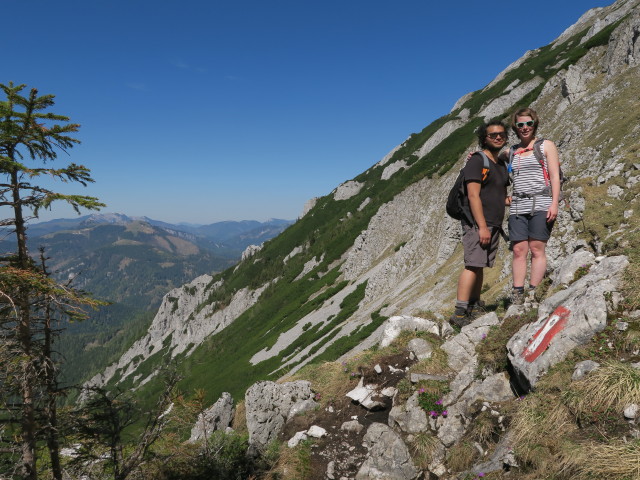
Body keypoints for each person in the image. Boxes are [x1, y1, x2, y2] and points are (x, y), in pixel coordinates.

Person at [450, 120, 510, 327]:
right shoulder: (478, 161)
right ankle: (459, 313)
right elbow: (474, 196)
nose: (498, 137)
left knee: (480, 265)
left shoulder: (500, 163)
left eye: (501, 134)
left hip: (493, 223)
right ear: (485, 138)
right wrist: (482, 226)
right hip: (479, 224)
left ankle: (474, 305)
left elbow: (496, 194)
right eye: (493, 135)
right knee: (472, 265)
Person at [508, 107, 561, 304]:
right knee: (518, 250)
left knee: (537, 248)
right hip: (517, 206)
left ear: (534, 124)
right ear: (516, 127)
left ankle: (534, 293)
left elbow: (555, 176)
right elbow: (493, 157)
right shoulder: (512, 151)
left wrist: (554, 203)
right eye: (520, 124)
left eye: (528, 124)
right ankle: (517, 293)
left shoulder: (546, 145)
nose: (525, 128)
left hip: (542, 203)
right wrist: (476, 156)